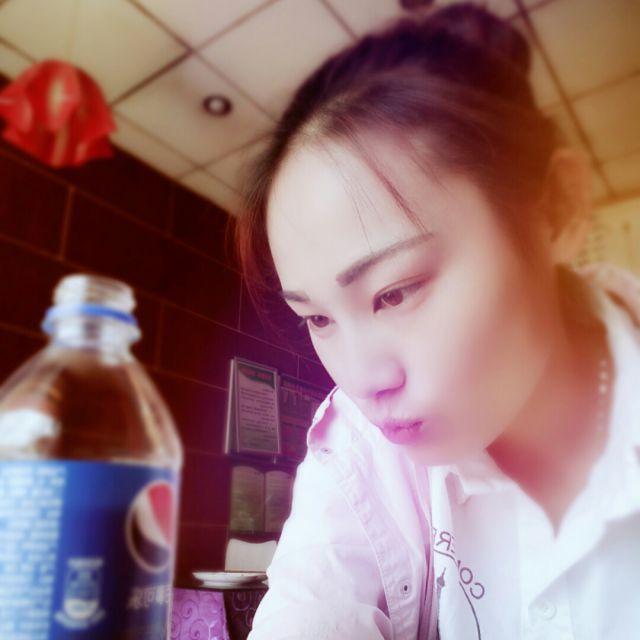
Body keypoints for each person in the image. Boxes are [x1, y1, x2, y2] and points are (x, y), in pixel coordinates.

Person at [235, 3, 640, 639]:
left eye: (395, 293)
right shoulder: (360, 448)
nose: (362, 382)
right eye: (316, 318)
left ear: (556, 210)